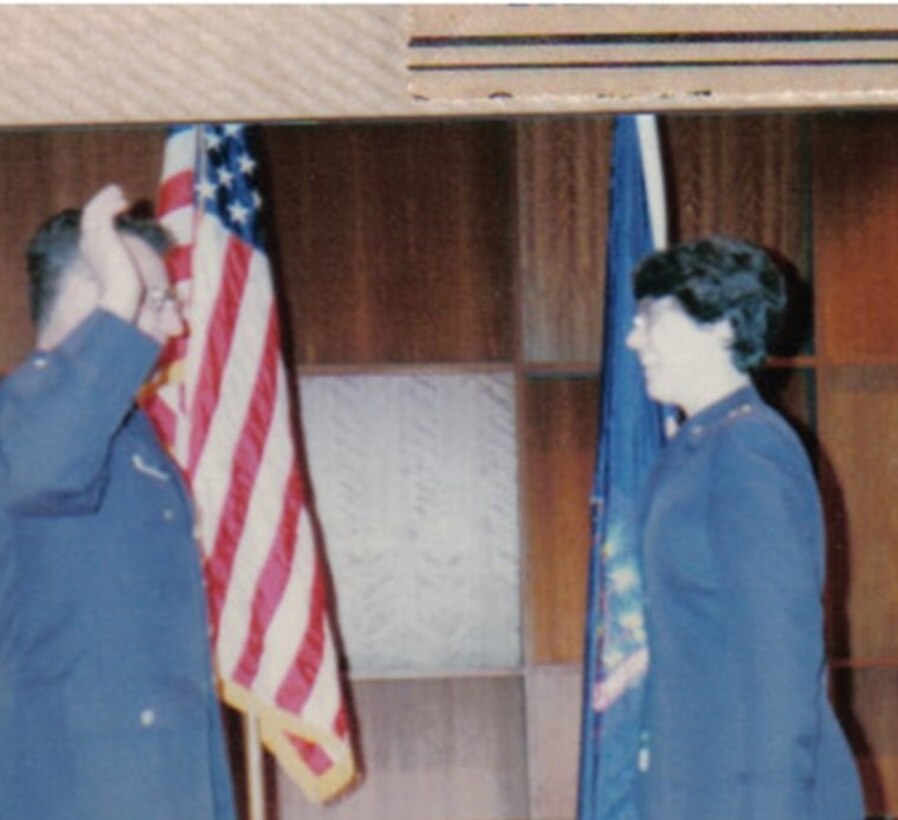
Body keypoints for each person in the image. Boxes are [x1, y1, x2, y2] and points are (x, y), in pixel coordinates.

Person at [0, 185, 237, 819]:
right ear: (94, 297)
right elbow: (40, 467)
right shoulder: (24, 424)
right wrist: (118, 305)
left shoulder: (132, 438)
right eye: (156, 301)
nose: (176, 325)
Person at [625, 236, 864, 819]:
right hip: (697, 784)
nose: (635, 339)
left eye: (652, 319)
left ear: (722, 328)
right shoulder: (694, 448)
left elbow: (781, 658)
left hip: (752, 797)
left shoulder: (748, 448)